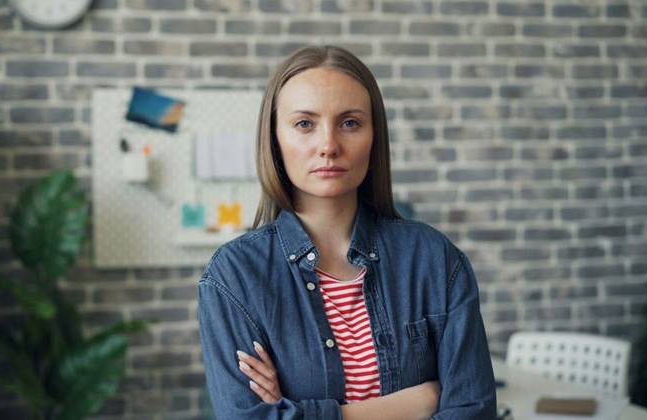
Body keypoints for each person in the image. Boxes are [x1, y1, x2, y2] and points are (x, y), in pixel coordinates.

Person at [198, 45, 497, 419]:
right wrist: (415, 403)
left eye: (350, 122)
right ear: (274, 139)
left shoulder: (434, 258)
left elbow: (473, 410)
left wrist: (297, 412)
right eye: (304, 124)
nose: (328, 146)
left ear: (374, 138)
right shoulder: (235, 276)